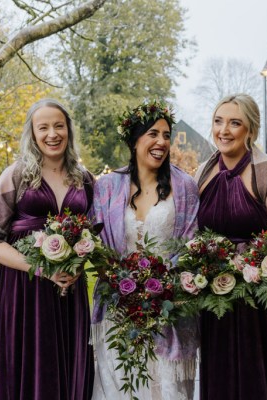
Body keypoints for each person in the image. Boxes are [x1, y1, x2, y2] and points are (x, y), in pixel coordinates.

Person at [0, 99, 95, 400]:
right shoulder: (17, 175)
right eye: (43, 127)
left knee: (71, 361)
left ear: (68, 130)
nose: (52, 134)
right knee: (30, 365)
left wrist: (77, 266)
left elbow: (96, 233)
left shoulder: (85, 180)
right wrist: (41, 269)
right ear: (32, 133)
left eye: (59, 126)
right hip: (24, 291)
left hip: (70, 289)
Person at [91, 100, 199, 400]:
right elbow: (97, 246)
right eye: (153, 133)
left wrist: (164, 289)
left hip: (170, 305)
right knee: (122, 386)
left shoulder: (185, 186)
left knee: (167, 388)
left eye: (166, 135)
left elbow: (191, 243)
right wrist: (122, 286)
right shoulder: (107, 187)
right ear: (134, 139)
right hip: (118, 306)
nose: (161, 142)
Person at [195, 93, 267, 400]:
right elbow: (194, 234)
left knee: (260, 379)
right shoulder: (202, 172)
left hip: (259, 296)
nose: (224, 130)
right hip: (216, 299)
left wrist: (246, 265)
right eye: (218, 121)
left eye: (234, 123)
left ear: (250, 130)